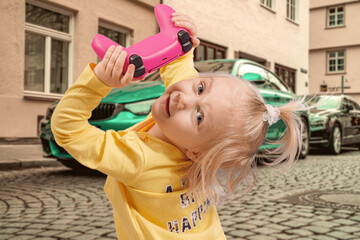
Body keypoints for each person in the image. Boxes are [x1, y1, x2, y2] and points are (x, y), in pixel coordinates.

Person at [51, 10, 306, 240]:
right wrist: (181, 41)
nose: (184, 98)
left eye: (199, 117)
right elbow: (180, 68)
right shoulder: (190, 134)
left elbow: (67, 129)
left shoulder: (140, 159)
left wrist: (99, 82)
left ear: (195, 154)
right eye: (201, 87)